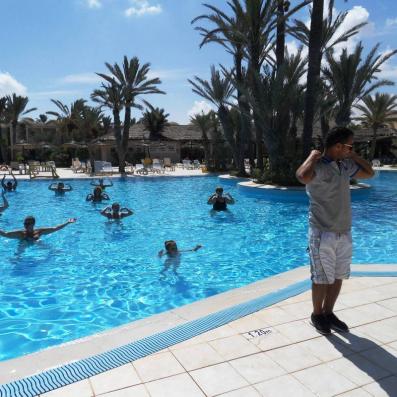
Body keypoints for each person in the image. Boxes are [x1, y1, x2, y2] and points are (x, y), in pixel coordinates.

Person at [296, 126, 374, 335]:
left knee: (338, 275)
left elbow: (370, 173)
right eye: (350, 145)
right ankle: (317, 314)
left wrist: (354, 155)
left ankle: (329, 312)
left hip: (344, 231)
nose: (351, 148)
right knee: (321, 278)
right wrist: (313, 155)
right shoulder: (319, 166)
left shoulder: (346, 165)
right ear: (338, 146)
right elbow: (302, 176)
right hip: (322, 232)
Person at [0, 216, 76, 241]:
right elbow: (5, 234)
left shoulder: (39, 231)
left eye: (27, 223)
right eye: (24, 223)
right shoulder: (21, 233)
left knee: (39, 242)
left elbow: (55, 228)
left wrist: (67, 222)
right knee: (23, 245)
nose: (25, 225)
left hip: (36, 245)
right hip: (23, 245)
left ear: (33, 224)